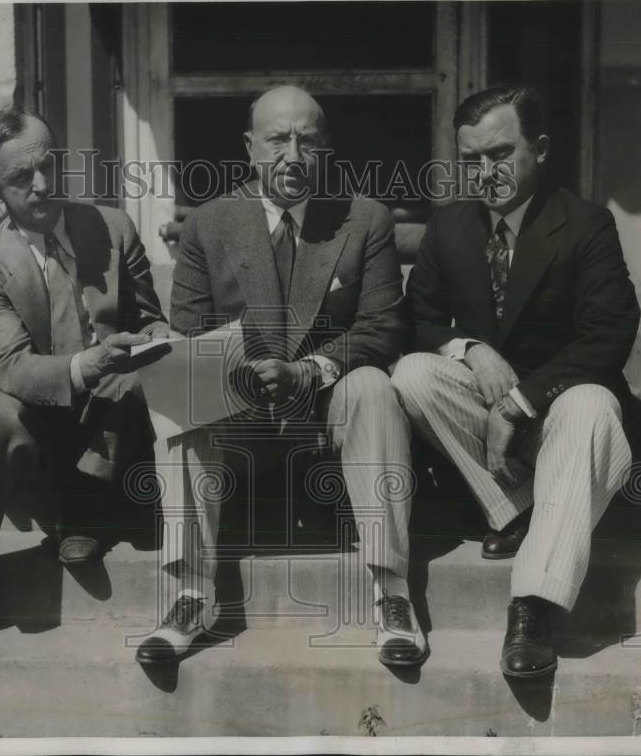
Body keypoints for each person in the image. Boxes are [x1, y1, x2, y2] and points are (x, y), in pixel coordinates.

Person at [135, 85, 427, 668]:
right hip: (238, 420)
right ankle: (192, 594)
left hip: (324, 417)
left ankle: (392, 593)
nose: (293, 155)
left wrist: (309, 370)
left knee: (373, 384)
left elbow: (386, 329)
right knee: (182, 388)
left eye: (308, 141)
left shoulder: (364, 220)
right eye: (278, 140)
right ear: (250, 149)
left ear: (326, 151)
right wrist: (242, 374)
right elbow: (190, 334)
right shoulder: (210, 225)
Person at [391, 84, 641, 678]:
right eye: (471, 160)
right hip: (484, 415)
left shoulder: (585, 225)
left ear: (541, 147)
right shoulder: (449, 226)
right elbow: (413, 323)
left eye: (500, 154)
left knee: (592, 405)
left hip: (560, 409)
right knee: (411, 374)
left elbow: (609, 334)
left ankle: (531, 606)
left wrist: (521, 401)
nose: (486, 172)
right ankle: (517, 508)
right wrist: (471, 349)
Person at [0, 108, 173, 658]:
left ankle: (84, 511)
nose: (43, 184)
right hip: (31, 420)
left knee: (130, 383)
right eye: (20, 177)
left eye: (51, 165)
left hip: (107, 422)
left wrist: (157, 335)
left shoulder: (111, 228)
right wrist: (89, 364)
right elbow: (11, 367)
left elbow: (147, 317)